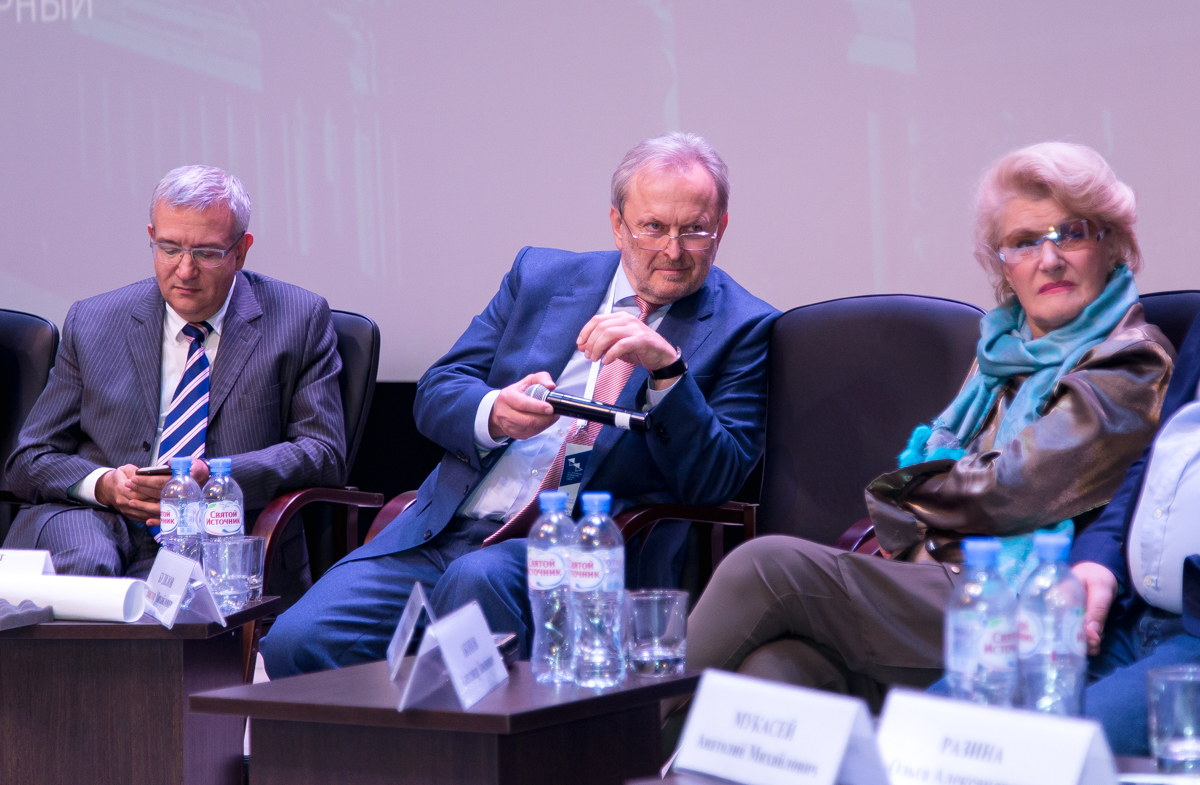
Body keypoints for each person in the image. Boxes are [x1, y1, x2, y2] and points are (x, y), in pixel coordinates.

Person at [261, 132, 779, 677]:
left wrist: (667, 371)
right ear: (617, 224)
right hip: (447, 527)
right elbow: (438, 388)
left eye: (693, 230)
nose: (672, 250)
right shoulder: (540, 277)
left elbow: (716, 479)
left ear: (721, 227)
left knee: (475, 582)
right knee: (296, 642)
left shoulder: (744, 326)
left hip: (582, 549)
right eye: (652, 227)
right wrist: (493, 413)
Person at [685, 142, 1175, 707]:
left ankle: (623, 730)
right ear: (1003, 264)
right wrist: (930, 503)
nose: (1049, 259)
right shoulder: (1003, 351)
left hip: (1019, 601)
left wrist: (903, 497)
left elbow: (1011, 489)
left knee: (766, 567)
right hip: (939, 580)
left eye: (1072, 233)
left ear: (1111, 243)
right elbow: (965, 484)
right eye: (1024, 241)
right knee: (780, 667)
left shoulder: (1131, 360)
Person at [4, 165, 346, 596]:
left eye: (206, 253)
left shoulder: (298, 319)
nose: (184, 271)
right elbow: (30, 458)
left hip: (216, 533)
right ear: (152, 237)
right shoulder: (93, 321)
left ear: (241, 251)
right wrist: (105, 485)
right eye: (169, 249)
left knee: (173, 602)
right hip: (97, 522)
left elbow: (323, 452)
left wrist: (212, 479)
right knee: (86, 571)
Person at [1071, 309, 1200, 754]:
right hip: (1130, 614)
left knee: (1061, 752)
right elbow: (1165, 452)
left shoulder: (1130, 357)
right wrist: (1100, 557)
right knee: (947, 718)